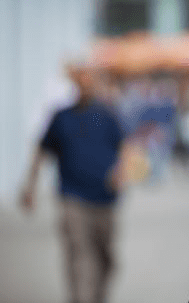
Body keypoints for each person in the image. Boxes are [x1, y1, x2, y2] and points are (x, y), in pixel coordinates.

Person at [21, 64, 125, 303]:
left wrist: (119, 173)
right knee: (78, 254)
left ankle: (97, 297)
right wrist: (30, 187)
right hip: (72, 197)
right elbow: (41, 152)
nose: (86, 86)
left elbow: (124, 149)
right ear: (75, 84)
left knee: (106, 259)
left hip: (105, 199)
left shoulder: (108, 114)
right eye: (82, 81)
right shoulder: (61, 117)